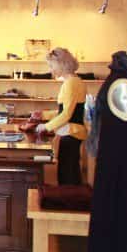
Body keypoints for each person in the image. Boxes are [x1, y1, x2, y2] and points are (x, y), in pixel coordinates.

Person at [34, 48, 87, 185]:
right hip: (73, 133)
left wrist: (45, 126)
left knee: (67, 175)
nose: (51, 70)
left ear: (61, 64)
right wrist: (43, 114)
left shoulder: (70, 83)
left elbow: (66, 114)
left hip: (71, 133)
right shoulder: (76, 81)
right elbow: (65, 110)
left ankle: (70, 198)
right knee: (70, 171)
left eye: (51, 66)